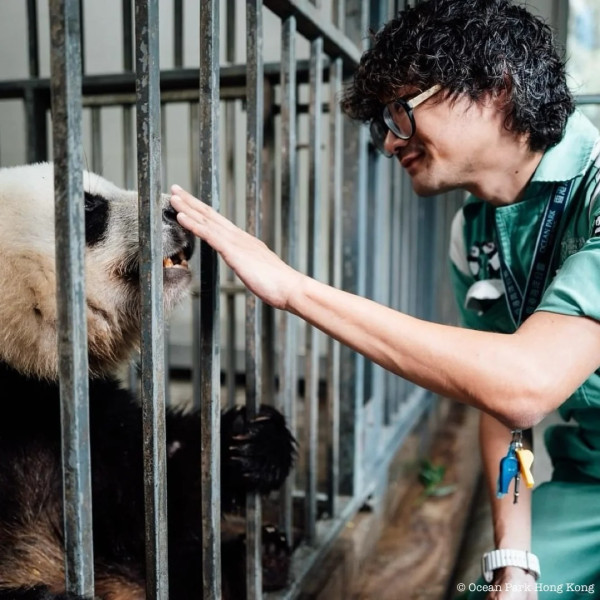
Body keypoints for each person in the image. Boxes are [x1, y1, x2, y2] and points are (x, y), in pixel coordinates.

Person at [170, 0, 600, 598]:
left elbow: (524, 385)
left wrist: (294, 288)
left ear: (498, 87)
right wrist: (514, 560)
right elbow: (500, 411)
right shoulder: (474, 234)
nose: (391, 144)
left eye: (401, 112)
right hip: (589, 483)